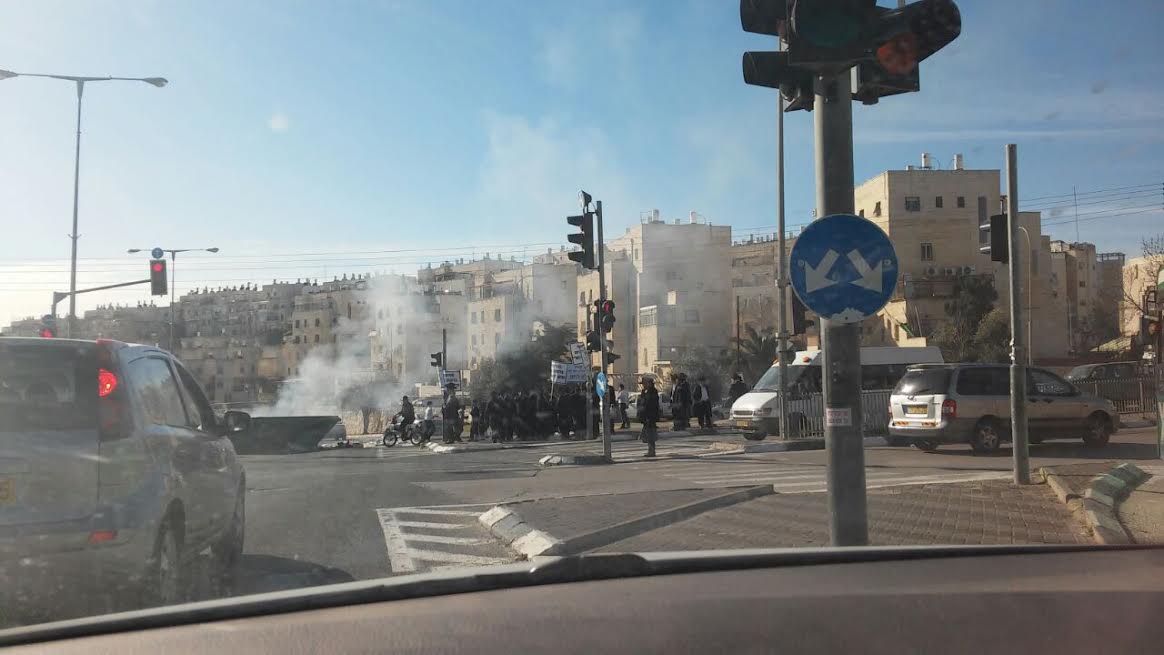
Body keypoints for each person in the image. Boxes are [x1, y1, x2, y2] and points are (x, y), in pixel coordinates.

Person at [637, 377, 660, 458]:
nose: (643, 386)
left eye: (644, 384)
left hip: (650, 416)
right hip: (646, 416)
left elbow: (649, 404)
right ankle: (650, 450)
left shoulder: (653, 392)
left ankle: (652, 451)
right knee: (647, 434)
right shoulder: (645, 392)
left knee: (650, 434)